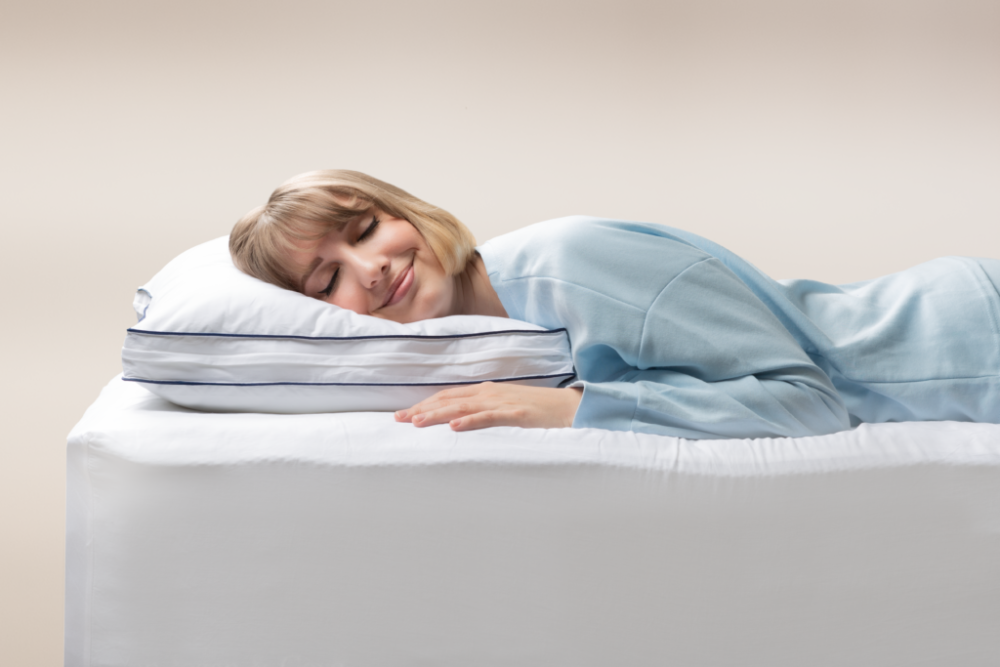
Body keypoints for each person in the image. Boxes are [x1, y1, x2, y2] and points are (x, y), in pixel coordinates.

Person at [230, 170, 1000, 439]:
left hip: (967, 342)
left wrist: (578, 408)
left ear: (406, 209)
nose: (369, 270)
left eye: (366, 228)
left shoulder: (566, 266)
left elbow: (808, 401)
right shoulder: (493, 326)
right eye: (326, 281)